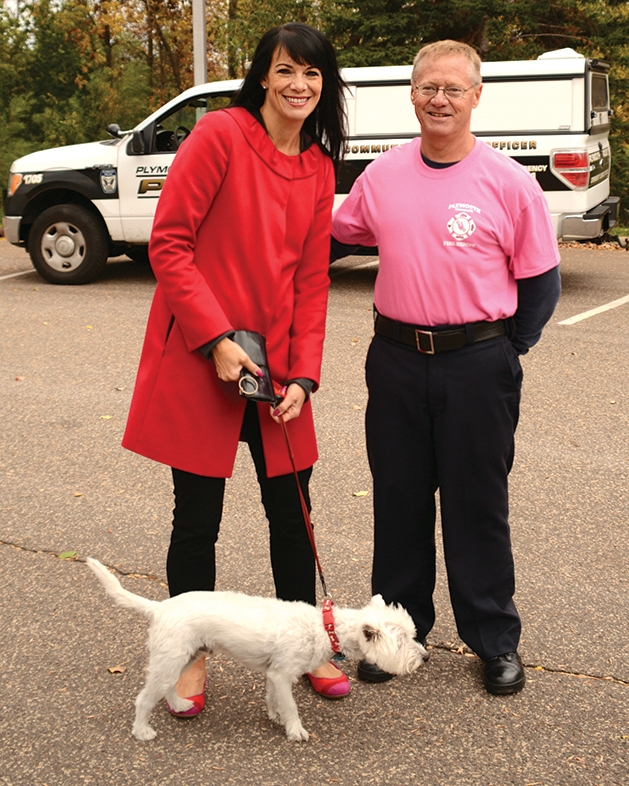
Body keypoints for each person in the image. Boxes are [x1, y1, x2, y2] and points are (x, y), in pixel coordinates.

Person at [122, 22, 349, 714]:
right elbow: (170, 242)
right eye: (284, 70)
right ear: (261, 77)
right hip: (204, 357)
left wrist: (304, 376)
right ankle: (188, 657)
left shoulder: (316, 167)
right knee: (198, 518)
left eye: (311, 74)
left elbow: (312, 282)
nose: (297, 85)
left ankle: (304, 644)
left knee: (291, 511)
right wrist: (216, 339)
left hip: (278, 365)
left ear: (324, 85)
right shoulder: (219, 135)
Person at [331, 40, 561, 695]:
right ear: (411, 94)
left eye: (452, 89)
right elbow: (331, 236)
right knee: (399, 505)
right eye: (428, 87)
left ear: (475, 97)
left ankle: (493, 642)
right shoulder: (382, 176)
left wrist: (500, 352)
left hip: (478, 366)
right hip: (397, 362)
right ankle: (396, 637)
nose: (439, 99)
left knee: (476, 508)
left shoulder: (507, 182)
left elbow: (539, 285)